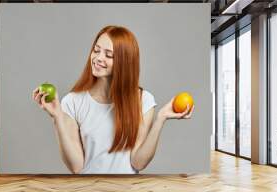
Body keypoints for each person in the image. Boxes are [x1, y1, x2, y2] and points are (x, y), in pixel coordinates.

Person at [32, 25, 194, 174]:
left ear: (125, 62)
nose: (98, 58)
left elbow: (138, 163)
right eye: (96, 50)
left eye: (108, 55)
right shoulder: (72, 101)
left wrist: (161, 118)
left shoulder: (143, 100)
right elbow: (76, 166)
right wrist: (57, 118)